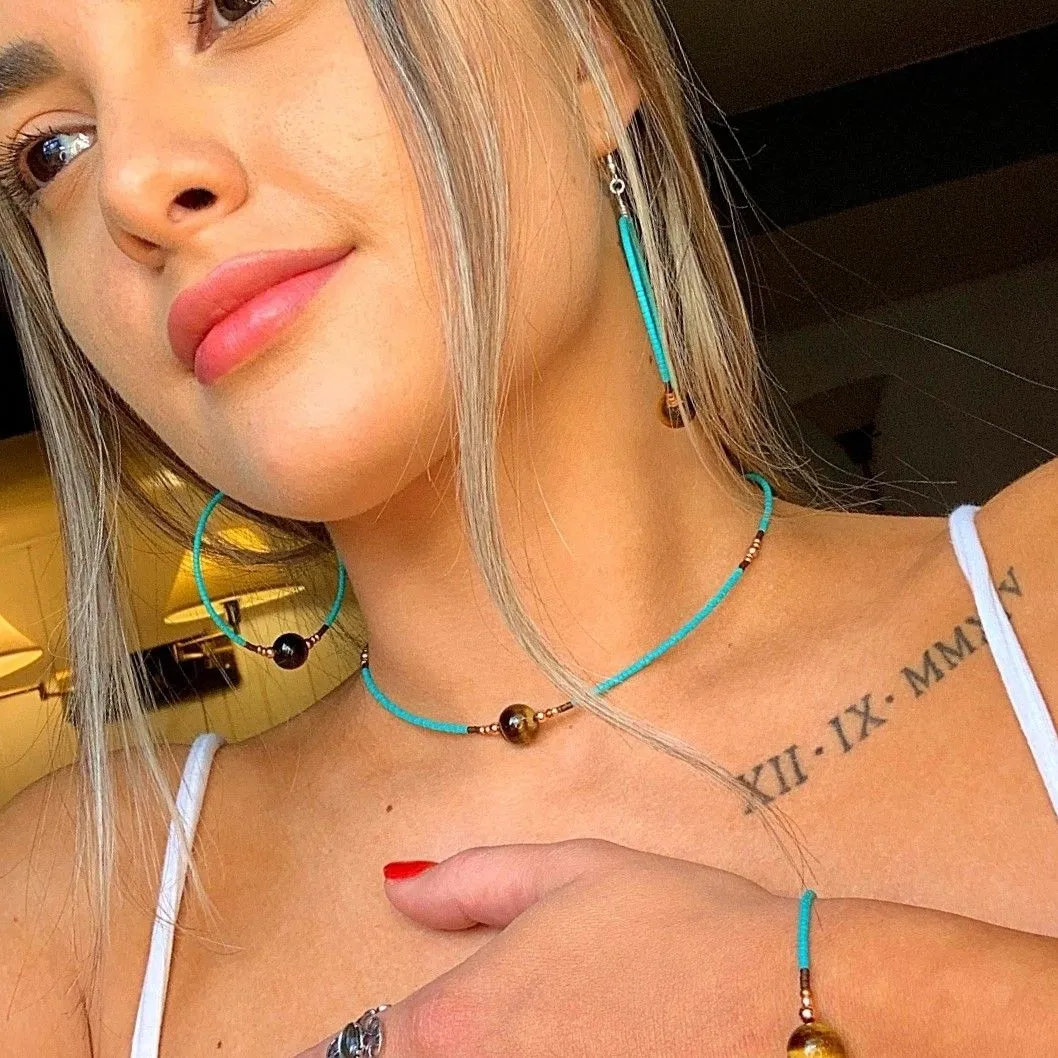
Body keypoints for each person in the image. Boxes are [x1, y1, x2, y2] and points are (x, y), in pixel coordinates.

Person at [0, 0, 1054, 1055]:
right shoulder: (77, 915)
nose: (131, 184)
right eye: (50, 151)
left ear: (588, 52)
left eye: (238, 6)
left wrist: (818, 990)